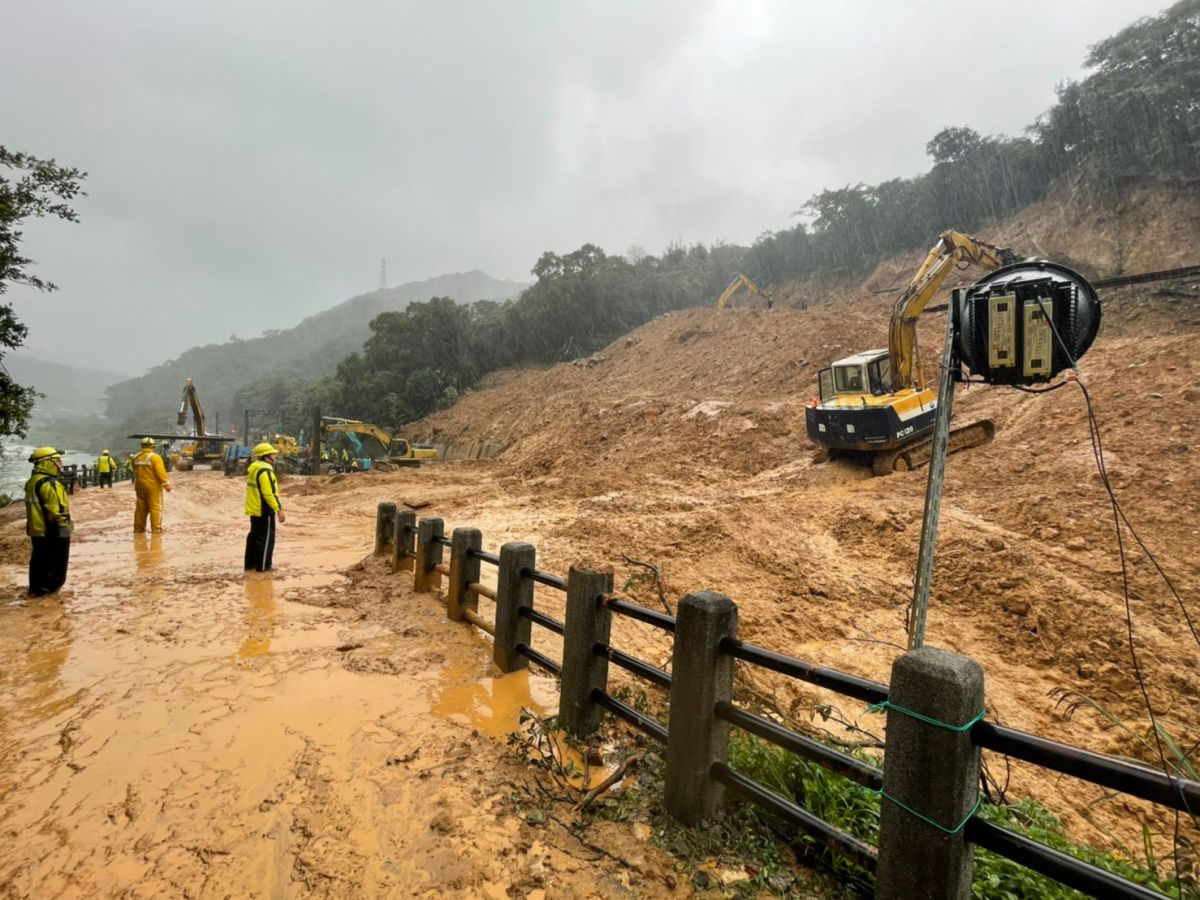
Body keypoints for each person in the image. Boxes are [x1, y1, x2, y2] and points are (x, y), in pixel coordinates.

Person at [24, 447, 73, 597]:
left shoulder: (32, 481)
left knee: (39, 559)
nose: (61, 464)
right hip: (51, 529)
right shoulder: (49, 483)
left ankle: (36, 589)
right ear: (48, 462)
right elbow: (56, 509)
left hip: (36, 528)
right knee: (56, 562)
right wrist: (65, 527)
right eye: (58, 460)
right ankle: (49, 592)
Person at [244, 442, 285, 572]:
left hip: (255, 509)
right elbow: (269, 493)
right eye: (273, 454)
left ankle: (250, 565)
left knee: (254, 537)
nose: (275, 456)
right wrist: (279, 509)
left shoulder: (255, 469)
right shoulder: (266, 472)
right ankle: (263, 567)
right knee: (266, 539)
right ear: (266, 456)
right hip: (264, 510)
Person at [132, 436, 172, 533]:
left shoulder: (135, 457)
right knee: (155, 507)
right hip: (152, 486)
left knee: (140, 508)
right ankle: (156, 529)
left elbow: (134, 469)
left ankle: (138, 529)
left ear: (142, 445)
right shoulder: (155, 457)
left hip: (139, 486)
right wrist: (166, 485)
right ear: (153, 446)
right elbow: (160, 472)